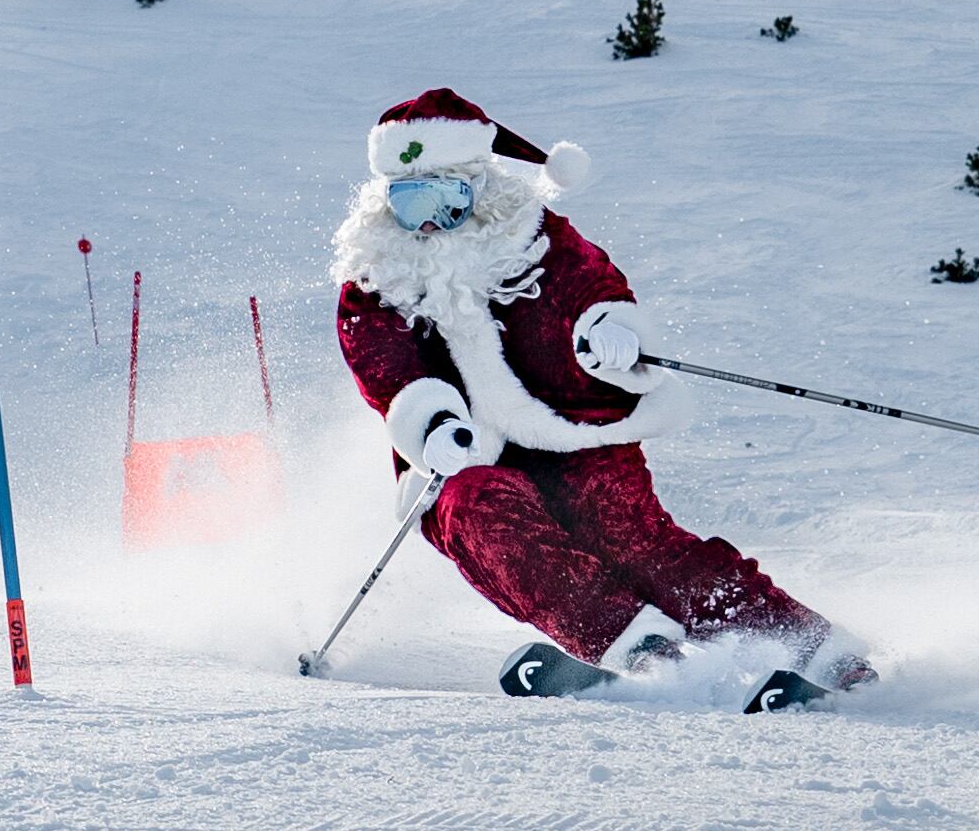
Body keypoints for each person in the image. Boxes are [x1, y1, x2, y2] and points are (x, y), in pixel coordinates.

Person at [331, 88, 872, 685]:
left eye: (447, 200)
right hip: (466, 453)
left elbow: (594, 290)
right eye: (410, 203)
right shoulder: (376, 280)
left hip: (578, 433)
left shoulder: (539, 240)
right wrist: (431, 424)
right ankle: (639, 650)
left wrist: (609, 329)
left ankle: (808, 647)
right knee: (480, 514)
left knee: (631, 536)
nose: (430, 222)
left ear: (481, 189)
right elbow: (384, 367)